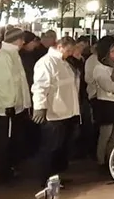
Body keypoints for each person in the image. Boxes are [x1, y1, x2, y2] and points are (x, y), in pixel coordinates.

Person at [31, 36, 81, 188]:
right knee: (50, 147)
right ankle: (46, 178)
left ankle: (55, 177)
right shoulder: (46, 62)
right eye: (68, 50)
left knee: (60, 148)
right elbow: (40, 87)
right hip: (53, 113)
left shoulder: (64, 62)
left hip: (66, 111)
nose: (70, 53)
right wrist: (39, 106)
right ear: (60, 47)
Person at [0, 27, 31, 184]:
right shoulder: (4, 57)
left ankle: (8, 170)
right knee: (5, 141)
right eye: (21, 39)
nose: (23, 42)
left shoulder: (12, 55)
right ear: (16, 40)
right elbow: (2, 83)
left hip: (14, 106)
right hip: (7, 109)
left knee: (12, 140)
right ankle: (2, 174)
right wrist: (9, 104)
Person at [93, 37, 114, 173]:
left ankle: (111, 159)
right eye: (112, 51)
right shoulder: (99, 68)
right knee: (105, 135)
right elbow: (109, 86)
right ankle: (101, 160)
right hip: (106, 104)